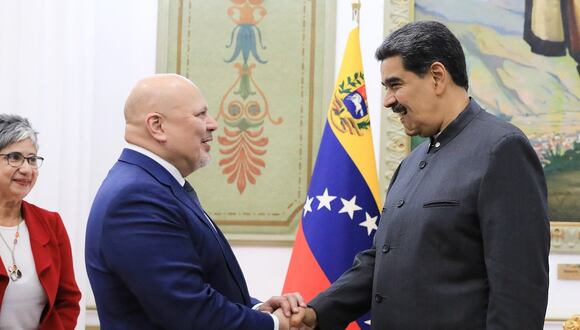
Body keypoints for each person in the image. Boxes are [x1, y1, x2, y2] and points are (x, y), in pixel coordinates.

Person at [292, 21, 550, 329]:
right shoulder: (410, 164)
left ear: (437, 77)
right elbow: (380, 263)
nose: (387, 100)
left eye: (395, 84)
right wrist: (315, 313)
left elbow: (519, 293)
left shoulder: (502, 150)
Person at [85, 74, 304, 329]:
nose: (212, 124)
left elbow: (198, 286)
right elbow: (189, 312)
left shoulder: (153, 185)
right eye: (200, 115)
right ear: (157, 126)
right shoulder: (137, 198)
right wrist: (273, 324)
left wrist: (258, 310)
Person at [0, 115, 81, 329]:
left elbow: (68, 301)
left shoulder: (51, 224)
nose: (27, 169)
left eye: (32, 159)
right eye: (15, 157)